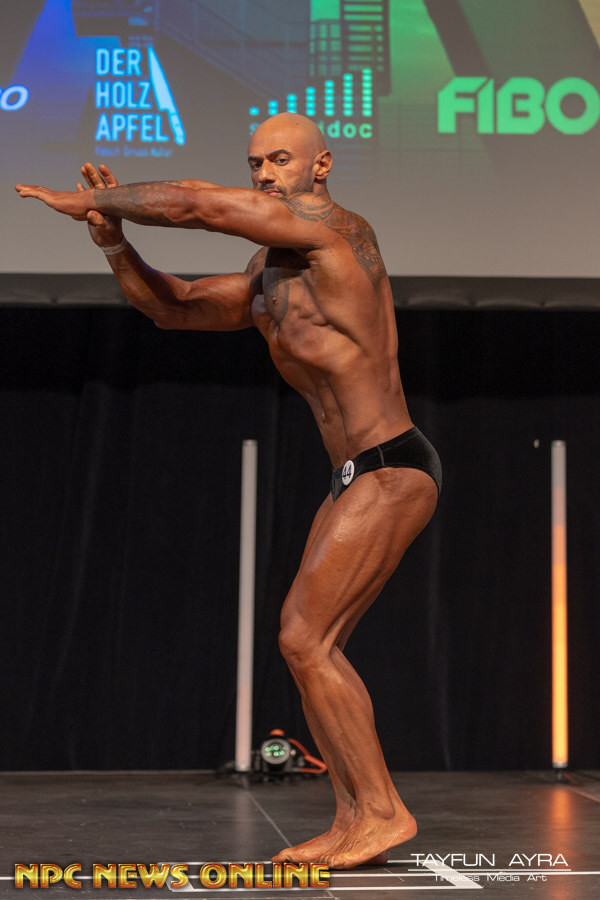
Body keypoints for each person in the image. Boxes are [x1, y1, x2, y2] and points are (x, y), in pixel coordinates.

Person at [16, 112, 442, 870]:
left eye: (280, 160)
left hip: (390, 465)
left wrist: (95, 200)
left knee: (303, 638)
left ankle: (383, 812)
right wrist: (114, 242)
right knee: (316, 648)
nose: (265, 174)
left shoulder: (338, 232)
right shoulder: (268, 274)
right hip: (352, 475)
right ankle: (355, 818)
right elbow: (173, 306)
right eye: (255, 163)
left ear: (320, 166)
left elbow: (196, 204)